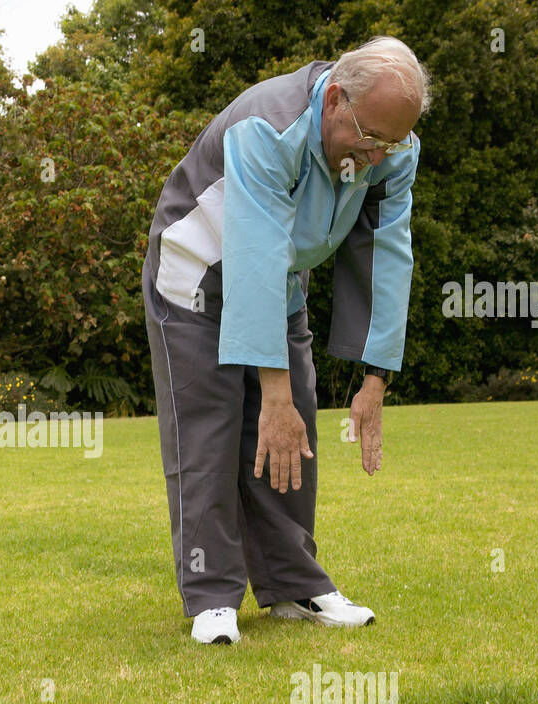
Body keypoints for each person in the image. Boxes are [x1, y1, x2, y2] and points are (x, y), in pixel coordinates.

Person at [142, 37, 431, 644]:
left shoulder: (391, 148)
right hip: (197, 276)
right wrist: (271, 399)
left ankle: (294, 588)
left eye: (394, 142)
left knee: (293, 422)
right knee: (211, 429)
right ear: (334, 101)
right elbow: (253, 250)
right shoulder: (265, 128)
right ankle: (212, 597)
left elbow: (386, 252)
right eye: (371, 137)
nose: (378, 156)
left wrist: (375, 377)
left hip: (281, 283)